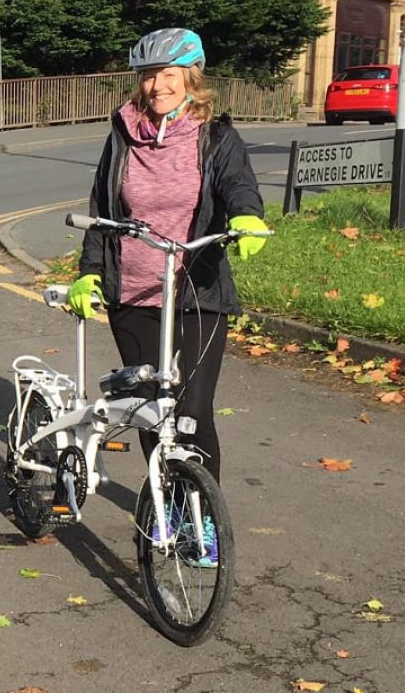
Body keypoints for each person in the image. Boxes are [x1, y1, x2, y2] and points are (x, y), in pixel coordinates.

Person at [68, 28, 267, 562]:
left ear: (190, 78)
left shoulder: (215, 135)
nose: (158, 85)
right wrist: (89, 272)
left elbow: (238, 185)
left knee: (192, 412)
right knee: (153, 411)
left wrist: (247, 216)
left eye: (169, 75)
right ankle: (167, 506)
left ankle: (202, 520)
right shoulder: (122, 134)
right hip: (133, 294)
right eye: (149, 76)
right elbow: (103, 210)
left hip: (198, 291)